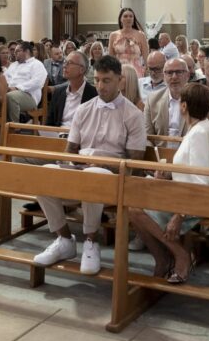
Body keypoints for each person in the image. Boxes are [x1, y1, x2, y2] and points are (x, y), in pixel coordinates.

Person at [33, 55, 147, 275]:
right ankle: (64, 239)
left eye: (106, 80)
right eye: (97, 80)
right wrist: (70, 162)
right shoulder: (84, 110)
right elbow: (70, 149)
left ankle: (91, 242)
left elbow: (136, 164)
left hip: (111, 175)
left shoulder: (133, 115)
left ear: (120, 81)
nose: (100, 86)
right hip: (81, 167)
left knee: (94, 175)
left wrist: (102, 163)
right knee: (43, 175)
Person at [129, 82, 209, 283]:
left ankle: (178, 255)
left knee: (136, 209)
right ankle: (164, 258)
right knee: (133, 203)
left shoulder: (199, 133)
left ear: (184, 106)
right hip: (185, 195)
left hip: (197, 202)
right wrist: (169, 175)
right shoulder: (199, 129)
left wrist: (179, 215)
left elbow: (200, 181)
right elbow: (192, 171)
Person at [47, 51, 97, 128]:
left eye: (69, 63)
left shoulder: (94, 94)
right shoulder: (58, 92)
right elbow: (49, 123)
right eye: (65, 62)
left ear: (82, 69)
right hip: (58, 136)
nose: (64, 66)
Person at [144, 58, 190, 138]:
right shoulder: (152, 100)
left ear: (187, 75)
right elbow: (147, 136)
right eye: (169, 73)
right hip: (159, 149)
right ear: (164, 76)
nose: (174, 77)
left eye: (179, 72)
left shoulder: (199, 99)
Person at [4, 40, 48, 122]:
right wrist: (6, 87)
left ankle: (14, 128)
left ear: (27, 51)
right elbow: (5, 78)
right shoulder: (13, 65)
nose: (14, 53)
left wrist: (17, 88)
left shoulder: (36, 64)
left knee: (10, 97)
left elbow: (37, 82)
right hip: (9, 91)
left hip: (29, 96)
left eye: (17, 51)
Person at [108, 8, 149, 74]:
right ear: (121, 19)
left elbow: (146, 56)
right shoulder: (113, 35)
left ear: (133, 19)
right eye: (125, 16)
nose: (128, 18)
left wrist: (147, 69)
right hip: (118, 70)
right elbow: (110, 57)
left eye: (131, 16)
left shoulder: (141, 35)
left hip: (136, 71)